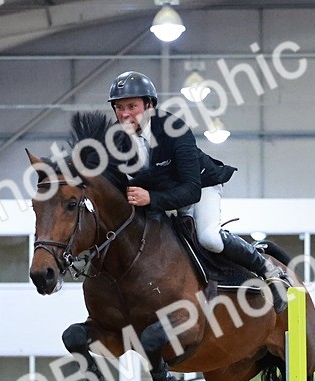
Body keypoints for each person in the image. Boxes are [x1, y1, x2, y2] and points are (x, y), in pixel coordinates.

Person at [107, 71, 288, 312]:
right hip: (160, 197)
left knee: (208, 238)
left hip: (200, 186)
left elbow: (191, 191)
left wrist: (151, 198)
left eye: (132, 105)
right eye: (119, 107)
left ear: (149, 105)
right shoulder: (116, 141)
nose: (125, 113)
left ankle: (268, 270)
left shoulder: (175, 129)